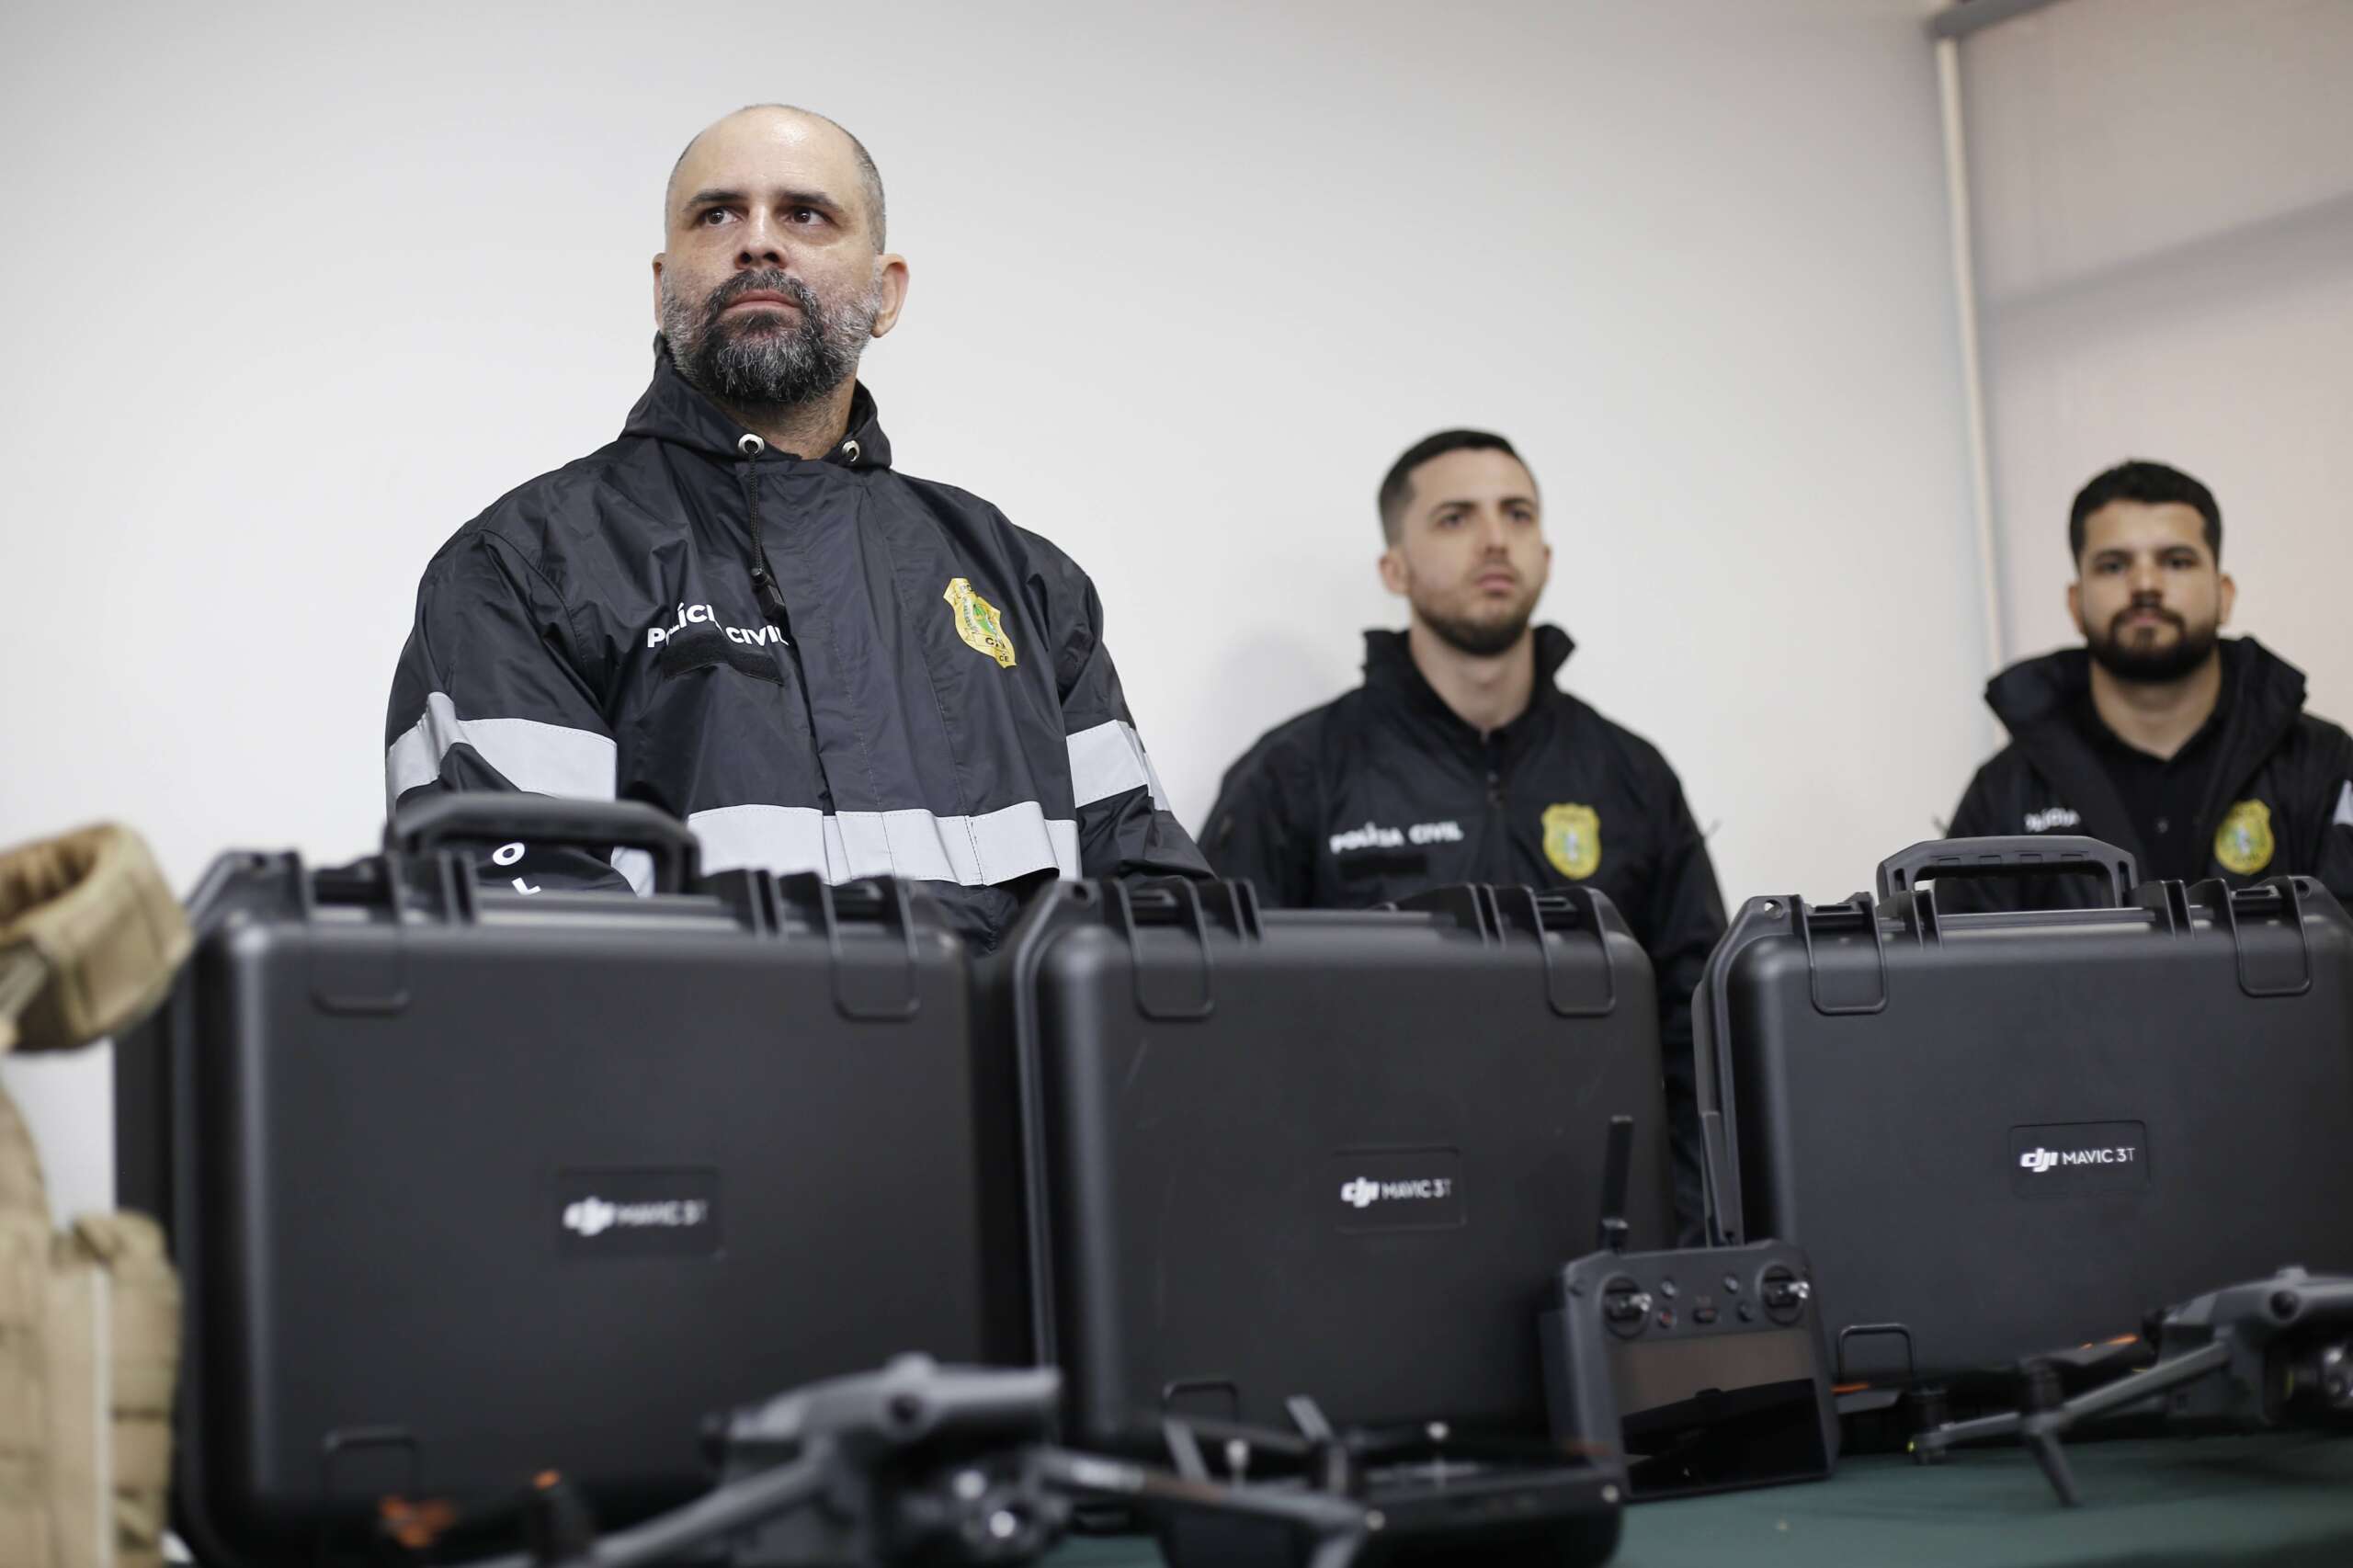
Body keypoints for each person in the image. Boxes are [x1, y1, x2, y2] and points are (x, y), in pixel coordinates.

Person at [385, 105, 1202, 944]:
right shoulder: (523, 568)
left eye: (805, 214)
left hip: (1003, 1042)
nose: (758, 243)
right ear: (662, 290)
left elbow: (1159, 923)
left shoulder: (1029, 588)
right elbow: (527, 940)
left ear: (887, 294)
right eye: (718, 215)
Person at [1202, 430, 1727, 1227]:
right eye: (1455, 518)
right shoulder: (1296, 774)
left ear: (1545, 553)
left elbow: (1701, 1029)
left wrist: (1685, 1229)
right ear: (1395, 569)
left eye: (1517, 514)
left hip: (1602, 1227)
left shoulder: (1630, 776)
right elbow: (1229, 1038)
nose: (1494, 539)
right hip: (1380, 1225)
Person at [1948, 459, 2353, 906]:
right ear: (2076, 604)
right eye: (2113, 566)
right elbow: (1956, 950)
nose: (2145, 584)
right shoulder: (2003, 792)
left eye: (2176, 562)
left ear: (2224, 596)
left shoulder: (2324, 765)